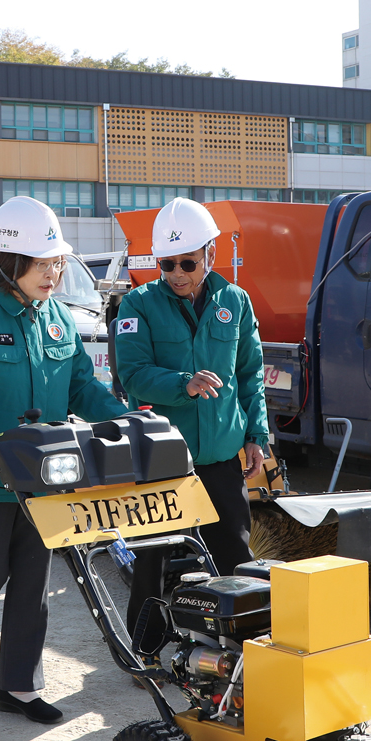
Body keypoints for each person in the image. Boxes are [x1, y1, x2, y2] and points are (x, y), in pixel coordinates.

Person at [0, 196, 126, 724]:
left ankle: (19, 686)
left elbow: (82, 385)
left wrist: (123, 418)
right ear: (10, 261)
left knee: (34, 581)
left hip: (46, 477)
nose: (53, 274)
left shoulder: (58, 318)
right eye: (42, 264)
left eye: (58, 263)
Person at [114, 197, 269, 652]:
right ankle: (144, 651)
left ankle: (244, 645)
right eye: (167, 264)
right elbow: (133, 374)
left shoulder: (235, 301)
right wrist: (185, 383)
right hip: (163, 458)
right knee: (153, 561)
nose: (177, 274)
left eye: (188, 262)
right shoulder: (138, 305)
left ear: (210, 254)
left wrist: (256, 435)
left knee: (235, 555)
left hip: (220, 457)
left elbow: (250, 375)